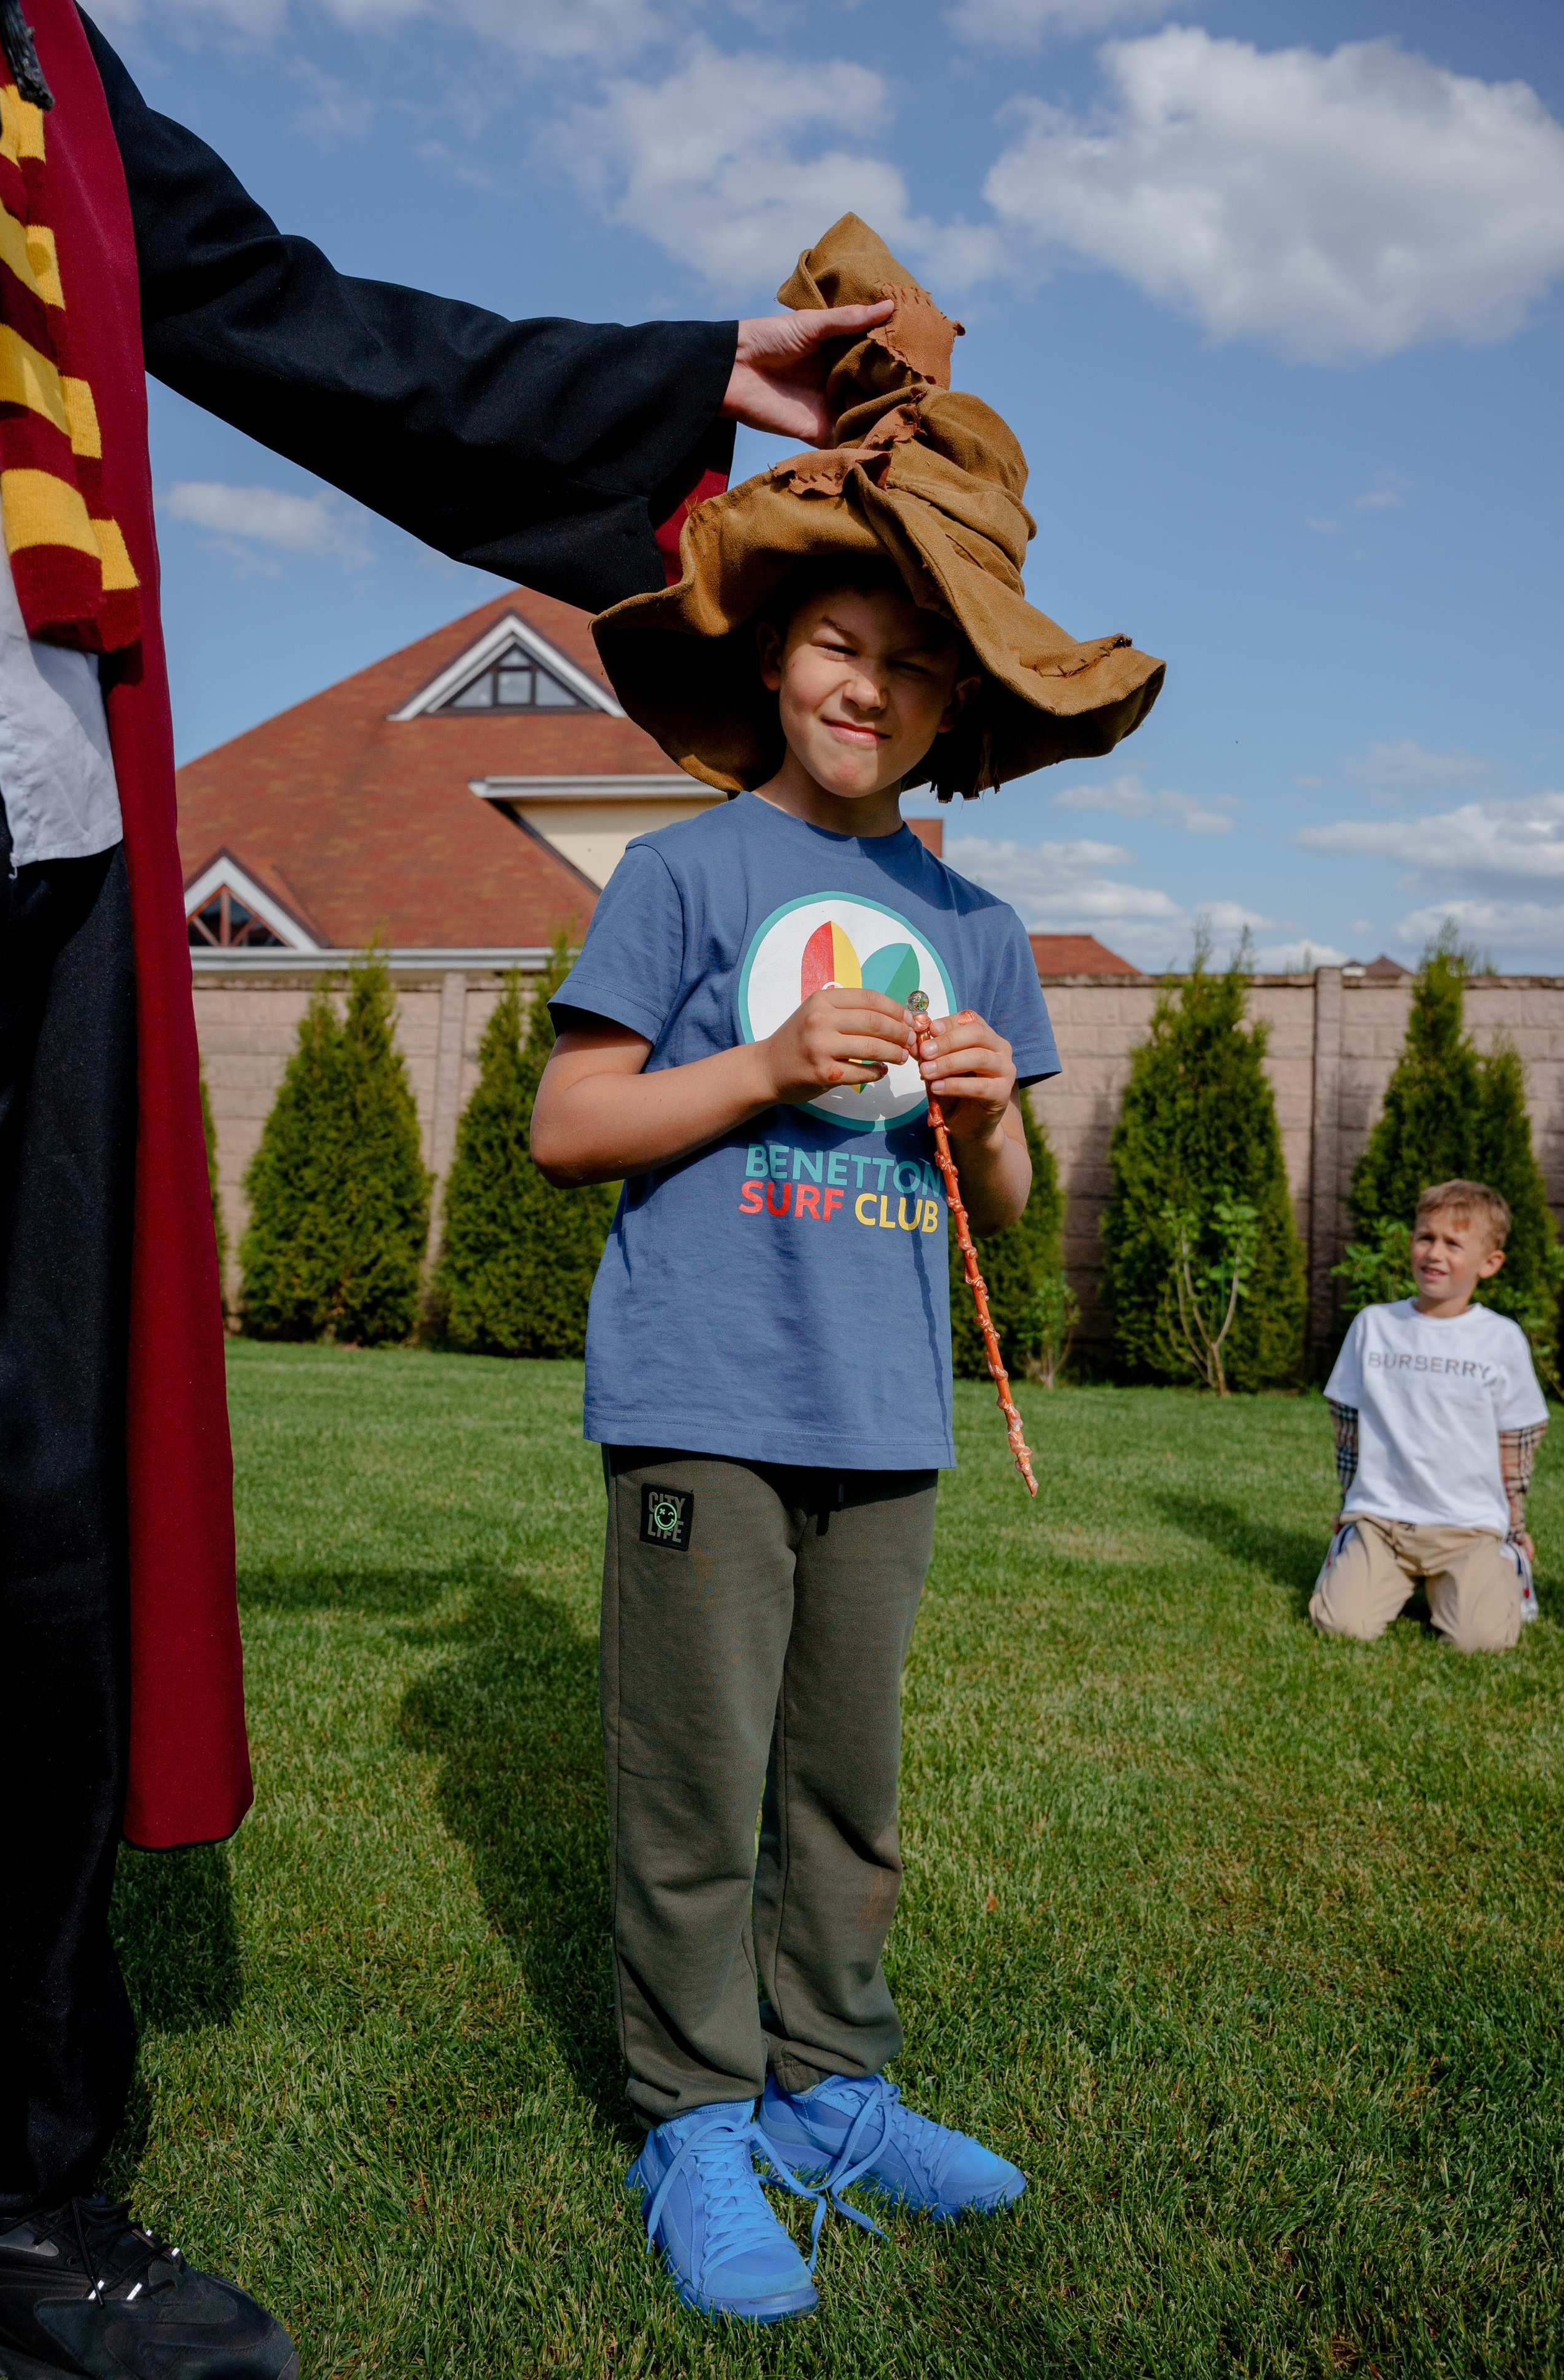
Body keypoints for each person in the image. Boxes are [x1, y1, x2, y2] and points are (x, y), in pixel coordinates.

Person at [0, 9, 898, 2371]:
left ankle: (10, 2187)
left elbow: (292, 316)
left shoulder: (37, 54)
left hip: (32, 832)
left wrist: (701, 378)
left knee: (28, 1523)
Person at [530, 214, 1162, 2325]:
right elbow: (571, 1126)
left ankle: (830, 2080)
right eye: (836, 642)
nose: (863, 686)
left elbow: (992, 1210)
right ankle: (697, 2112)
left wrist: (983, 1108)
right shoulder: (688, 868)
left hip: (887, 1412)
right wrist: (759, 1062)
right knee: (697, 1781)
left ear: (948, 697)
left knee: (845, 1789)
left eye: (908, 661)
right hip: (710, 1396)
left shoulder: (975, 926)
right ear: (776, 646)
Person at [1312, 1180, 1549, 1655]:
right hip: (1384, 1522)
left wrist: (1515, 1529)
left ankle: (1502, 1567)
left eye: (1453, 1244)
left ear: (1489, 1263)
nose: (1434, 1253)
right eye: (1426, 1237)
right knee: (1342, 1627)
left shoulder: (1500, 1339)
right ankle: (1356, 1555)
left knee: (1480, 1641)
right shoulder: (1374, 1326)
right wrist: (1348, 1505)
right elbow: (1348, 1426)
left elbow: (1518, 1440)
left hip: (1469, 1529)